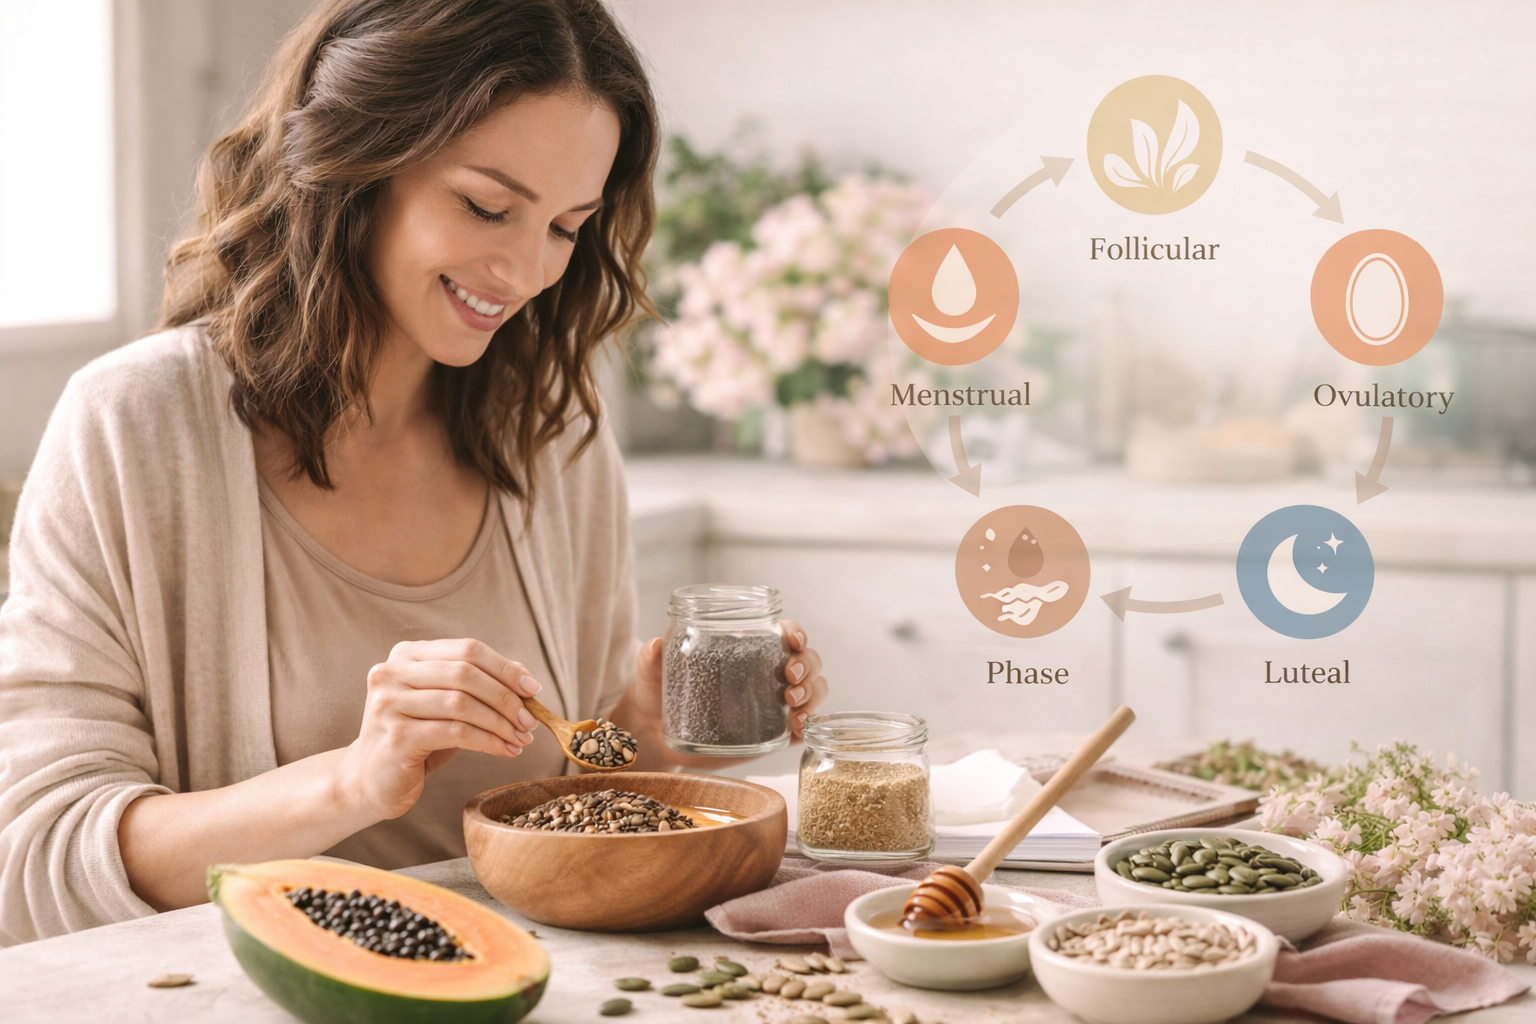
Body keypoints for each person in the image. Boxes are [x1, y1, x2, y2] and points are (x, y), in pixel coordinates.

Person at [0, 0, 828, 945]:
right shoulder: (136, 424)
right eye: (485, 205)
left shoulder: (554, 439)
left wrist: (644, 730)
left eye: (566, 226)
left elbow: (572, 795)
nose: (523, 271)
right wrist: (355, 778)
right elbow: (38, 859)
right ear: (360, 165)